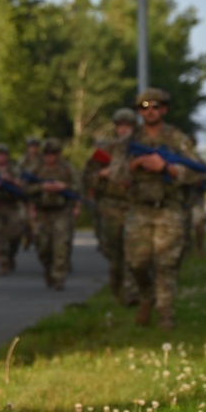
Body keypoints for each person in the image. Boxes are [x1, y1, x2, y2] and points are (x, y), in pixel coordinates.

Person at [120, 88, 201, 329]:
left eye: (155, 107)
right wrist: (134, 165)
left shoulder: (177, 139)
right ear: (139, 112)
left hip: (169, 209)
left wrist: (167, 168)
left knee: (167, 264)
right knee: (137, 262)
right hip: (139, 209)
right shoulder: (129, 141)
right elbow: (113, 174)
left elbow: (195, 172)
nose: (150, 111)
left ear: (163, 110)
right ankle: (147, 295)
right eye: (144, 108)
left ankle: (166, 315)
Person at [83, 108, 139, 305]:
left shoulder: (141, 149)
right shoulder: (105, 151)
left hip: (135, 205)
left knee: (135, 252)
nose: (124, 130)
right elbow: (87, 177)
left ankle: (132, 292)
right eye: (120, 126)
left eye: (128, 126)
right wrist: (102, 175)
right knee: (115, 253)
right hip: (110, 207)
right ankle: (118, 290)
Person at [24, 138, 80, 291]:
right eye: (47, 154)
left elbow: (77, 188)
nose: (50, 157)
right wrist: (42, 187)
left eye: (53, 154)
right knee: (43, 246)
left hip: (62, 211)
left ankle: (59, 276)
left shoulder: (67, 169)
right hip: (42, 212)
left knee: (61, 245)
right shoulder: (36, 169)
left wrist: (63, 186)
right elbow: (24, 188)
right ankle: (48, 269)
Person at [0, 143, 28, 276]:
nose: (0, 157)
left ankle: (11, 255)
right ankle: (3, 262)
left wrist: (11, 180)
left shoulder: (15, 169)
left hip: (12, 206)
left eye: (3, 154)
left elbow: (23, 186)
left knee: (15, 234)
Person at [17, 136, 42, 251]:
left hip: (38, 195)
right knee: (23, 220)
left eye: (35, 146)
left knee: (37, 221)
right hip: (24, 195)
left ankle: (38, 241)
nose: (33, 149)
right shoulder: (22, 161)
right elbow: (18, 175)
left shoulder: (42, 160)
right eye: (31, 146)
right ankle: (28, 237)